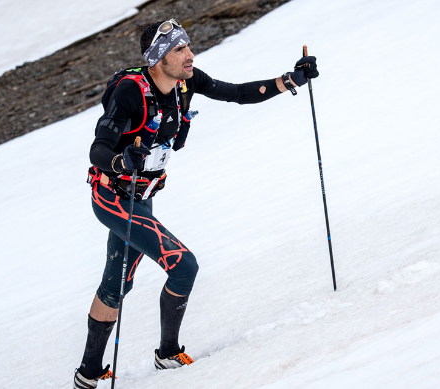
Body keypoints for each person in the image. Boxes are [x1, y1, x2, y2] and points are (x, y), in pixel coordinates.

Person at [73, 18, 319, 388]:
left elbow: (237, 92)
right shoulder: (129, 91)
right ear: (157, 59)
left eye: (188, 46)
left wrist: (291, 80)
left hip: (142, 197)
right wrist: (121, 161)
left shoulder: (186, 81)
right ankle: (168, 354)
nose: (190, 55)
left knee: (115, 284)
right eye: (179, 49)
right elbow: (99, 148)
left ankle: (87, 375)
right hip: (112, 197)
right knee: (184, 266)